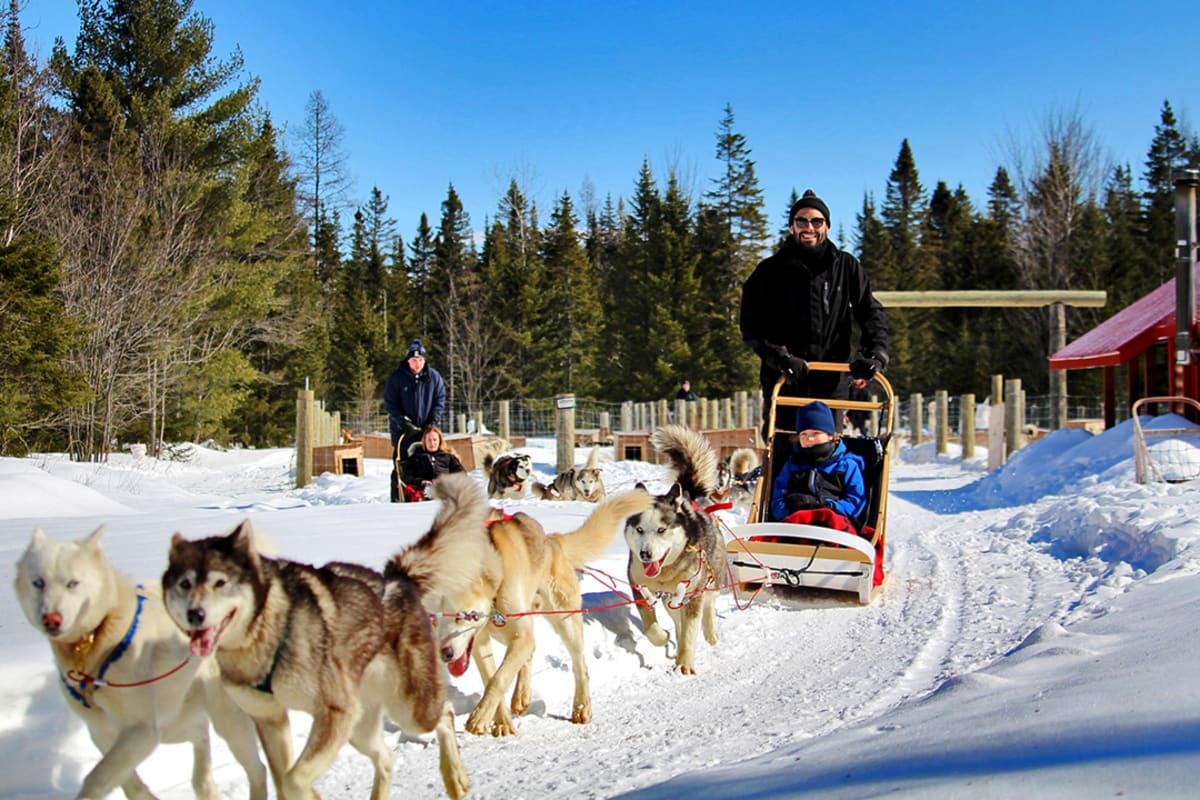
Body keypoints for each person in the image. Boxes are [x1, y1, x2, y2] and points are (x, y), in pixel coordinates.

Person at [740, 189, 889, 438]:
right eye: (802, 221)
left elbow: (870, 311)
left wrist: (875, 354)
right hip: (786, 380)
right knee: (785, 450)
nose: (809, 227)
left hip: (831, 379)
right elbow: (751, 325)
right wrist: (780, 357)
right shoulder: (769, 271)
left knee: (828, 449)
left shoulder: (846, 267)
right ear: (791, 227)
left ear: (826, 227)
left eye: (816, 221)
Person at [770, 400, 867, 530]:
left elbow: (856, 499)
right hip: (796, 522)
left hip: (834, 522)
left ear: (830, 436)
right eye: (804, 434)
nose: (809, 439)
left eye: (816, 434)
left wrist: (830, 506)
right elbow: (778, 496)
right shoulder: (793, 464)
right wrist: (788, 514)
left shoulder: (847, 465)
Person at [383, 338, 446, 502]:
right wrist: (403, 422)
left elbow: (440, 400)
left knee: (429, 462)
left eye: (420, 360)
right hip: (402, 430)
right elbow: (390, 403)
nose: (417, 363)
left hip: (426, 428)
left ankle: (428, 495)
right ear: (408, 360)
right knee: (402, 464)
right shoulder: (397, 378)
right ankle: (398, 497)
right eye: (414, 360)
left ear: (424, 361)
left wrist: (433, 420)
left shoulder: (434, 377)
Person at [398, 425, 465, 501]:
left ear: (439, 441)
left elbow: (461, 473)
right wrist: (420, 481)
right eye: (429, 440)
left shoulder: (448, 457)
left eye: (434, 440)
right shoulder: (415, 458)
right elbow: (406, 476)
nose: (432, 443)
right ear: (424, 442)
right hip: (422, 488)